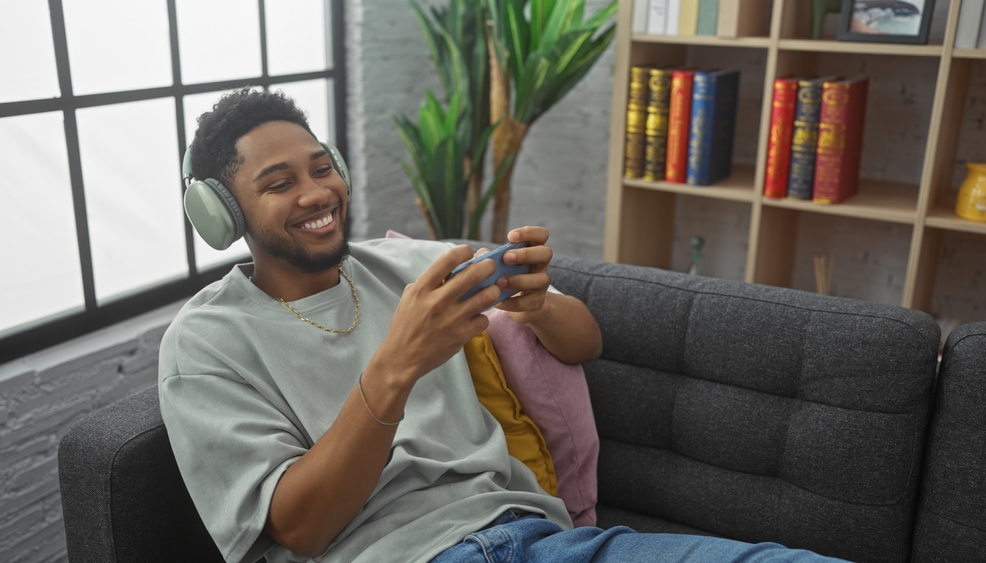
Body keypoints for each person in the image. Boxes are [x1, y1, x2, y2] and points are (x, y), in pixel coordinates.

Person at [159, 88, 846, 563]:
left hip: (537, 539)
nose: (316, 193)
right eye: (279, 183)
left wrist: (536, 301)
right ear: (223, 214)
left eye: (321, 167)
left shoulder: (406, 264)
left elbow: (585, 342)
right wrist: (396, 365)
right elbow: (300, 527)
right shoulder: (206, 344)